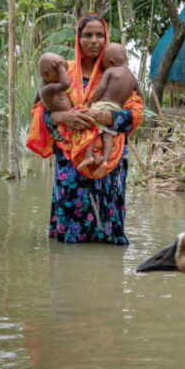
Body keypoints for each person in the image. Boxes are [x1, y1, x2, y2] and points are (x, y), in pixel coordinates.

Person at [26, 13, 144, 244]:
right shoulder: (62, 71)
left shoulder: (118, 72)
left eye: (100, 35)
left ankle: (107, 273)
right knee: (71, 224)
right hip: (70, 162)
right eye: (88, 35)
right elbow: (40, 110)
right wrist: (62, 116)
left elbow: (135, 115)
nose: (94, 40)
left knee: (107, 220)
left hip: (109, 160)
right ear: (78, 40)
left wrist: (102, 115)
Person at [82, 43, 142, 177]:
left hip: (102, 105)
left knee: (91, 128)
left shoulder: (110, 71)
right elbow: (140, 98)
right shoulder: (133, 78)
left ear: (111, 62)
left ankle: (89, 155)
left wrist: (89, 103)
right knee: (108, 135)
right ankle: (105, 160)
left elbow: (101, 89)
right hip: (117, 108)